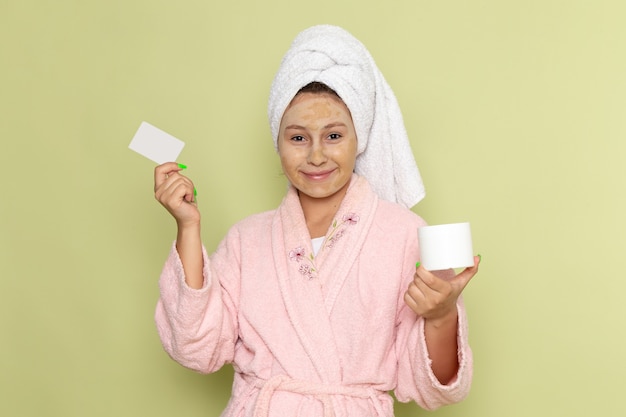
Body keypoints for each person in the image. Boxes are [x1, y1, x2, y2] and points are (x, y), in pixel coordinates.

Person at [152, 25, 480, 417]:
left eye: (334, 135)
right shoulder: (247, 239)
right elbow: (196, 348)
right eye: (298, 138)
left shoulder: (406, 233)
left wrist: (441, 316)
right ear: (277, 142)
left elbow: (435, 390)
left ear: (360, 138)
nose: (317, 156)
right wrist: (188, 226)